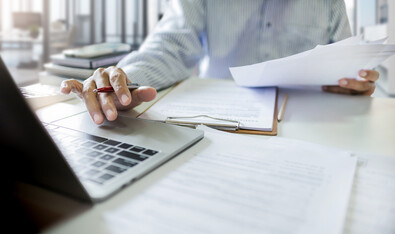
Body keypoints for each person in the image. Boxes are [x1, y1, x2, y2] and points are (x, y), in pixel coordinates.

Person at [61, 0, 380, 125]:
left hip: (314, 125)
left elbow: (345, 63)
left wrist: (353, 82)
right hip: (222, 126)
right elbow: (169, 47)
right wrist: (124, 78)